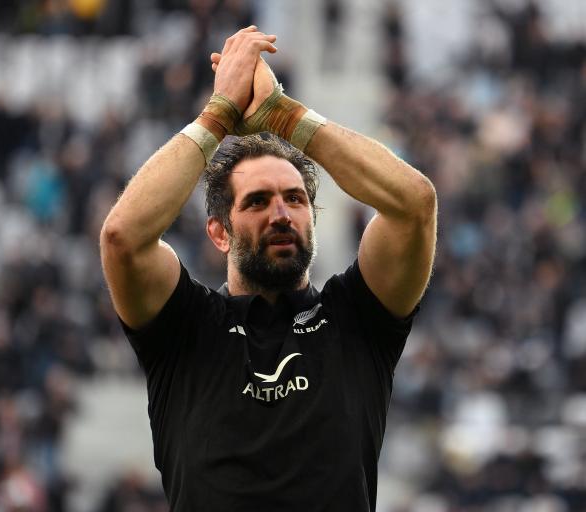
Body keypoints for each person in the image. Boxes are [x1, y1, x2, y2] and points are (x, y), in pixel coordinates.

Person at [100, 26, 437, 512]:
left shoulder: (357, 319)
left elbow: (415, 204)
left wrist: (286, 116)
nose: (281, 214)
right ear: (219, 232)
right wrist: (217, 116)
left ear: (313, 218)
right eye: (258, 201)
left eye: (295, 199)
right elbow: (122, 237)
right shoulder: (185, 328)